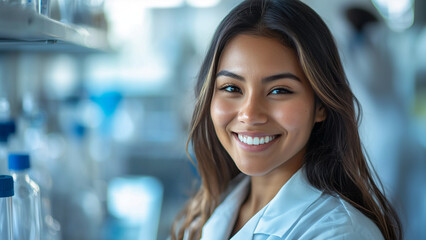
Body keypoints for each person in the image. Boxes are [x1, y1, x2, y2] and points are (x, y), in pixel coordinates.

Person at [171, 0, 402, 239]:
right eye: (231, 88)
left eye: (279, 90)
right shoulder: (212, 208)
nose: (250, 114)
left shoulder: (340, 233)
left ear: (321, 104)